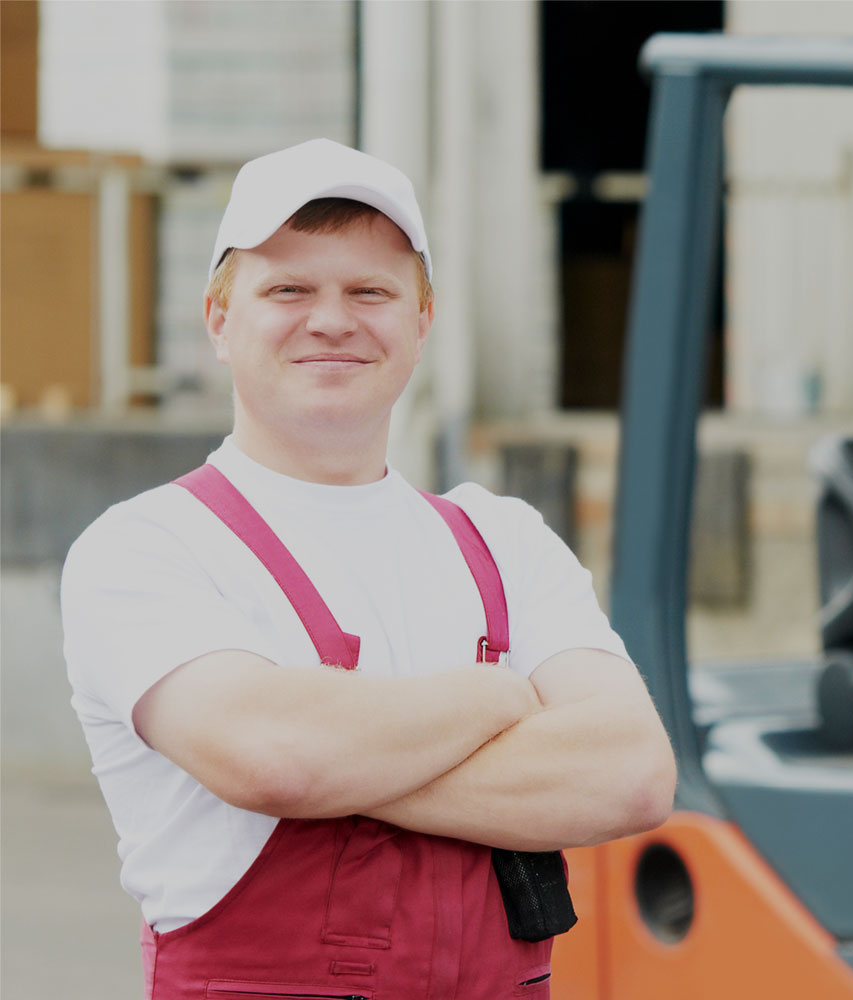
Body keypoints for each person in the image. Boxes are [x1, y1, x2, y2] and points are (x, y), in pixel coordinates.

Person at [61, 138, 675, 999]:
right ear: (219, 319)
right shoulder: (149, 546)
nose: (331, 320)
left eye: (370, 292)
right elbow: (272, 759)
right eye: (288, 290)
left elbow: (633, 776)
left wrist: (343, 755)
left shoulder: (505, 540)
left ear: (421, 322)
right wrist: (496, 697)